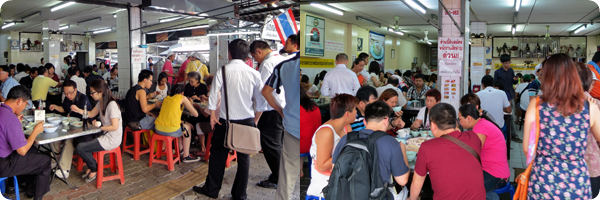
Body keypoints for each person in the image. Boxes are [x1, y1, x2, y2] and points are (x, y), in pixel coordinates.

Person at [193, 39, 263, 200]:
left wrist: (211, 116)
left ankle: (211, 190)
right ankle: (240, 195)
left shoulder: (222, 71)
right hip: (247, 121)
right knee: (244, 159)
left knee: (217, 156)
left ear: (229, 53)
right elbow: (260, 102)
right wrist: (255, 120)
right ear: (247, 56)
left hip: (224, 122)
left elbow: (213, 95)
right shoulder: (254, 73)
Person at [523, 53, 600, 199]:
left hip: (544, 179)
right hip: (577, 181)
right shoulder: (590, 107)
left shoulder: (537, 105)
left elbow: (528, 149)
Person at [332, 100, 410, 198]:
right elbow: (402, 181)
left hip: (347, 194)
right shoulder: (391, 142)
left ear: (364, 121)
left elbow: (334, 169)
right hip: (376, 196)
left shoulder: (346, 139)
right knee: (403, 192)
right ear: (386, 120)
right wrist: (402, 150)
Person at [408, 103, 486, 200]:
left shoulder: (427, 147)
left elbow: (416, 184)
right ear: (456, 122)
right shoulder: (473, 137)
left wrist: (411, 198)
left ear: (433, 125)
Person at [262, 35, 300, 199]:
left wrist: (280, 110)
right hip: (312, 125)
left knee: (288, 170)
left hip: (293, 125)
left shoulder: (283, 66)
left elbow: (265, 91)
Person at [0, 85, 51, 200]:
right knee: (45, 161)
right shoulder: (10, 118)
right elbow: (22, 151)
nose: (24, 107)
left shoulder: (3, 111)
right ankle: (38, 197)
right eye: (26, 103)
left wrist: (15, 123)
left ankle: (29, 188)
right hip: (3, 164)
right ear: (19, 101)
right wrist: (35, 131)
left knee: (33, 151)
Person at [250, 40, 288, 189]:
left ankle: (278, 179)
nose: (255, 61)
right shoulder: (282, 59)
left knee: (271, 145)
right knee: (278, 145)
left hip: (273, 110)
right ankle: (280, 175)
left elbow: (263, 93)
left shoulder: (267, 64)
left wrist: (256, 118)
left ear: (259, 52)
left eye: (254, 57)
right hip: (283, 108)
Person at [305, 94, 357, 199]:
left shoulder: (346, 127)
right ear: (347, 114)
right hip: (322, 190)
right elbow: (322, 165)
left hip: (339, 184)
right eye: (355, 109)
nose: (357, 112)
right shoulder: (327, 132)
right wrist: (348, 154)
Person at [71, 80, 123, 183]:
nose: (91, 95)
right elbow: (90, 114)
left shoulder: (111, 105)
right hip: (105, 135)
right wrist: (78, 110)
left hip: (112, 139)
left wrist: (99, 127)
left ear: (100, 92)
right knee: (80, 142)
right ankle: (92, 166)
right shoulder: (101, 102)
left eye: (92, 92)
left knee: (80, 148)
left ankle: (94, 168)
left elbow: (115, 126)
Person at [457, 104, 509, 196]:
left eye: (460, 119)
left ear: (469, 118)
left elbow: (473, 152)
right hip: (490, 170)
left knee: (464, 190)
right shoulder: (482, 123)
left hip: (495, 175)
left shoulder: (481, 127)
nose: (459, 122)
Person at [47, 80, 93, 179]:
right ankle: (54, 161)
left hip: (83, 128)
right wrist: (55, 107)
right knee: (55, 136)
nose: (68, 95)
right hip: (70, 126)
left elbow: (88, 116)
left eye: (70, 93)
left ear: (75, 90)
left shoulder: (83, 99)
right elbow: (64, 109)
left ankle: (64, 169)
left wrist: (79, 110)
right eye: (66, 93)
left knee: (68, 139)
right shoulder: (68, 98)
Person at [154, 84, 200, 162]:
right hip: (170, 130)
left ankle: (181, 150)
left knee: (181, 126)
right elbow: (196, 114)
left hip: (158, 128)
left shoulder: (166, 98)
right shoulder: (182, 98)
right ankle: (186, 156)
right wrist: (191, 103)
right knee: (187, 128)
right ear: (182, 93)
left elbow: (171, 116)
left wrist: (184, 122)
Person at [576, 62, 600, 198]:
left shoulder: (553, 103)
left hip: (564, 170)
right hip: (590, 165)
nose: (593, 86)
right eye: (592, 83)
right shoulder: (594, 104)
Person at [300, 86, 321, 178]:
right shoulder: (314, 106)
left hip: (301, 146)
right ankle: (300, 169)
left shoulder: (293, 108)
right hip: (314, 144)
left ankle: (298, 170)